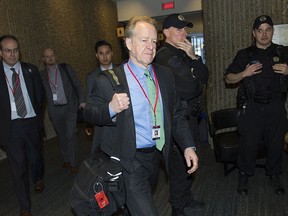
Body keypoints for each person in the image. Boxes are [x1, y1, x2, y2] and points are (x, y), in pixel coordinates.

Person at [85, 16, 199, 216]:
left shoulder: (164, 75)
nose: (151, 47)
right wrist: (111, 108)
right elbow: (89, 112)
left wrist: (187, 146)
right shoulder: (108, 80)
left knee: (134, 207)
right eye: (144, 40)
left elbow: (176, 113)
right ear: (129, 43)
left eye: (154, 41)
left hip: (155, 156)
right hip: (127, 160)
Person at [225, 15, 288, 196]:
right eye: (260, 30)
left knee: (276, 145)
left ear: (272, 31)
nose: (264, 34)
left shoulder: (283, 52)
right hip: (252, 108)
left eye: (268, 30)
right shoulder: (244, 54)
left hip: (276, 107)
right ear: (254, 33)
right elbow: (228, 78)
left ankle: (274, 175)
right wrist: (244, 73)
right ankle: (244, 176)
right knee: (248, 145)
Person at [155, 13, 209, 216]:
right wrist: (195, 78)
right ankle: (178, 208)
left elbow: (204, 77)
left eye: (185, 29)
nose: (184, 33)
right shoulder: (165, 55)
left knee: (188, 165)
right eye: (179, 29)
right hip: (179, 121)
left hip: (190, 117)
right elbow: (191, 88)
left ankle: (185, 198)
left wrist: (194, 57)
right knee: (179, 168)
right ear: (166, 32)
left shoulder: (184, 52)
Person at [0, 35, 45, 216]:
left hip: (32, 122)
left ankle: (38, 177)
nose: (13, 54)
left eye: (16, 50)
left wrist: (36, 117)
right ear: (1, 53)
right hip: (11, 127)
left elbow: (40, 97)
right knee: (18, 167)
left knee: (35, 157)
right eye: (8, 50)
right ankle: (24, 206)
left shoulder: (30, 70)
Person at [40, 48, 85, 175]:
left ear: (56, 56)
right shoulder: (42, 75)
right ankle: (66, 158)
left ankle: (73, 162)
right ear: (43, 59)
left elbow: (77, 84)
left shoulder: (66, 69)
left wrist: (82, 100)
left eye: (52, 55)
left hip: (70, 108)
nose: (50, 58)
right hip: (54, 111)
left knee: (71, 134)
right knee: (62, 136)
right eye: (47, 56)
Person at [85, 40, 115, 136]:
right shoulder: (91, 77)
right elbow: (90, 100)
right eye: (101, 54)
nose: (105, 57)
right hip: (104, 119)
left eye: (107, 53)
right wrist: (88, 123)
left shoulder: (122, 70)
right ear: (97, 56)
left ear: (112, 53)